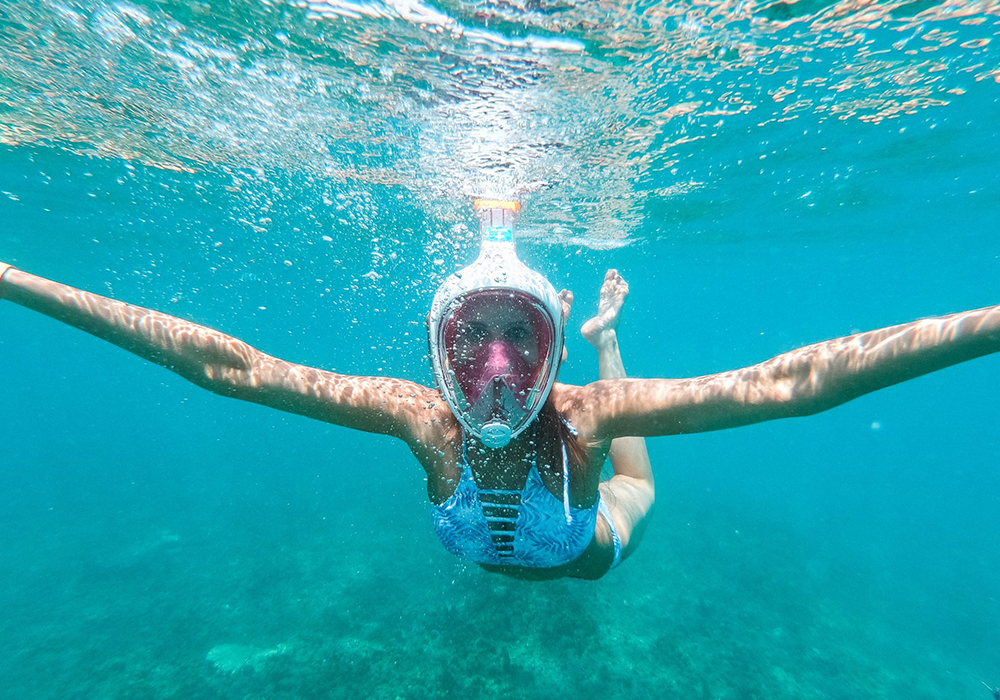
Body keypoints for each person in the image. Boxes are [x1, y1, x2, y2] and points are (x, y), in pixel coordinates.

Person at [1, 198, 999, 580]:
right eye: (470, 339)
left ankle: (609, 338)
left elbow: (797, 383)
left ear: (544, 350)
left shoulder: (578, 413)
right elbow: (226, 367)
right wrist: (17, 278)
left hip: (585, 552)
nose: (491, 374)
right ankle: (607, 331)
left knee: (634, 479)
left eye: (517, 339)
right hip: (512, 538)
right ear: (438, 348)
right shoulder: (418, 416)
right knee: (604, 431)